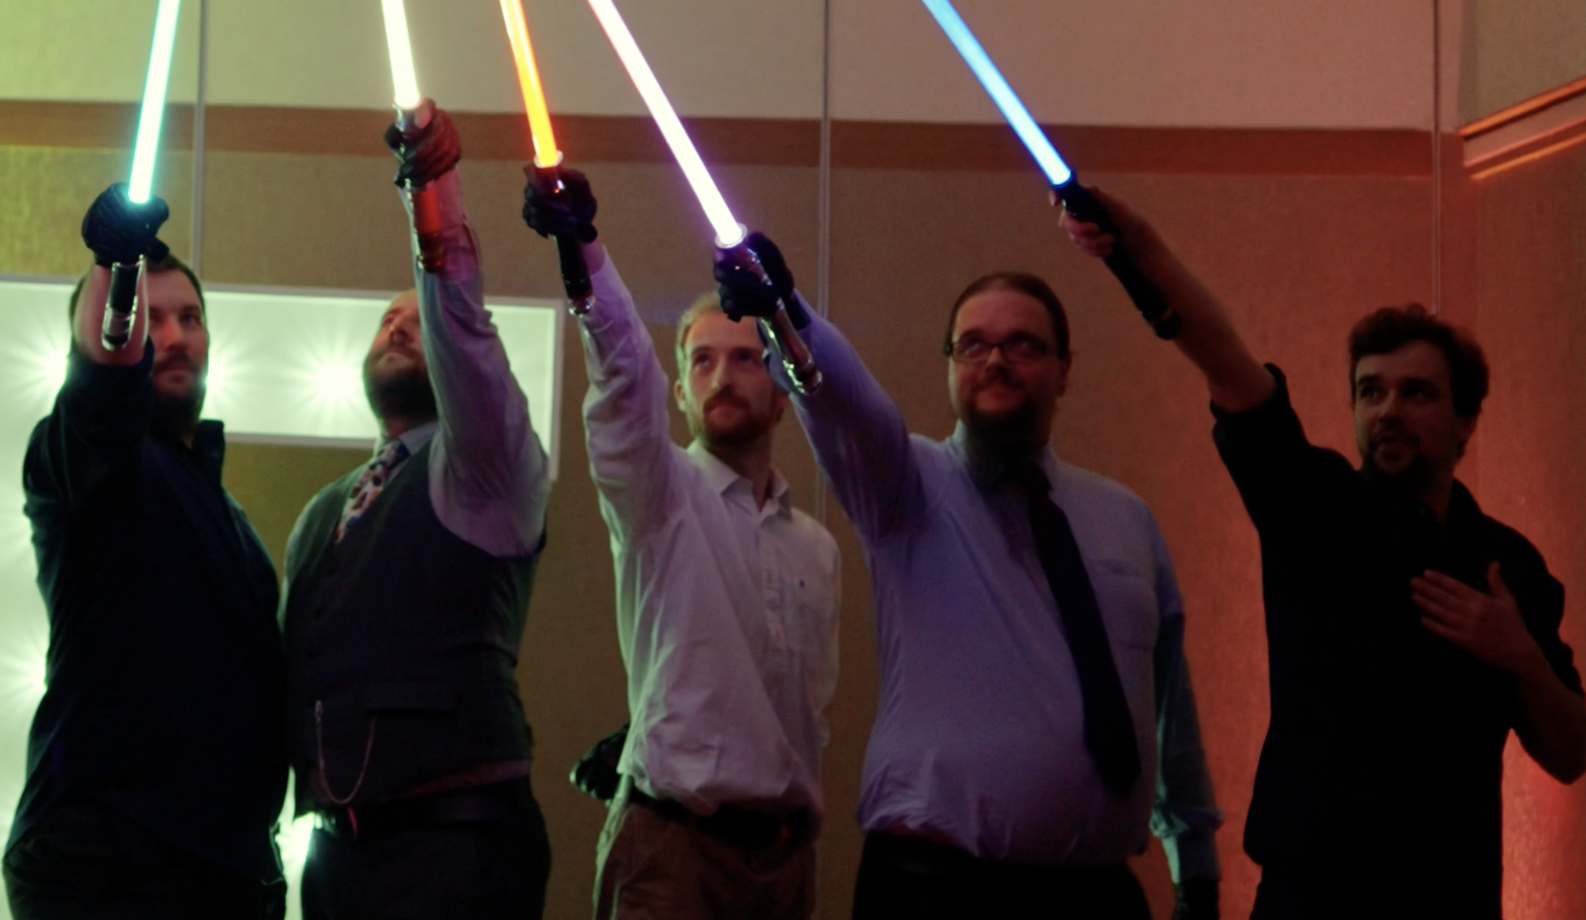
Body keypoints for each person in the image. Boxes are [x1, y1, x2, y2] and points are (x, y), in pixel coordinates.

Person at [1059, 189, 1586, 919]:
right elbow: (1219, 351)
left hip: (1451, 900)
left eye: (1417, 392)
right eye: (1370, 390)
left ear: (1466, 422)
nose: (1389, 410)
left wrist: (1518, 652)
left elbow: (1568, 753)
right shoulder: (1317, 507)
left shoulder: (1507, 562)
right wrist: (1137, 241)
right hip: (1311, 895)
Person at [714, 235, 1221, 920]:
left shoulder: (1125, 518)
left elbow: (1169, 708)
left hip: (1096, 893)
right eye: (973, 345)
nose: (996, 361)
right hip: (934, 887)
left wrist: (1197, 869)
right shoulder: (903, 484)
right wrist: (783, 310)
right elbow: (839, 398)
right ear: (950, 365)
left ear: (1064, 368)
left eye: (1022, 345)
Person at [522, 169, 840, 920]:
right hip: (673, 851)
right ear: (682, 391)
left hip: (784, 858)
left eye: (745, 357)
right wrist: (582, 248)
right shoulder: (661, 496)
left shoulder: (817, 546)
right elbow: (621, 379)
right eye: (702, 359)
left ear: (781, 387)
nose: (723, 375)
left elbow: (809, 712)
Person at [283, 103, 553, 920]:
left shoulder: (487, 470)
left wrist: (430, 201)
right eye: (385, 320)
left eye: (416, 318)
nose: (400, 325)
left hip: (456, 849)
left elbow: (460, 332)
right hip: (338, 856)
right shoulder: (321, 511)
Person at [2, 187, 286, 920]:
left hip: (224, 866)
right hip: (108, 853)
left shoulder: (229, 517)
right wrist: (113, 265)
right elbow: (103, 393)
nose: (176, 333)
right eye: (149, 318)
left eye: (189, 317)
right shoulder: (85, 458)